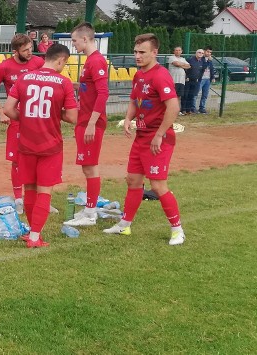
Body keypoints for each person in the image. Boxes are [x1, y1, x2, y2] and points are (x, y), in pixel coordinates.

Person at [103, 34, 185, 246]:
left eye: (142, 52)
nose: (137, 56)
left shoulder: (161, 75)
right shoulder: (139, 75)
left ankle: (177, 230)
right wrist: (128, 118)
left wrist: (159, 134)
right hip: (141, 138)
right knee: (133, 180)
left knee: (158, 186)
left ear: (154, 53)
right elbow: (134, 99)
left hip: (159, 139)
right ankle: (124, 225)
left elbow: (173, 107)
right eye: (136, 52)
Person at [3, 44, 78, 247]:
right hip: (50, 145)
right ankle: (35, 236)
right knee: (45, 190)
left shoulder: (24, 78)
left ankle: (31, 231)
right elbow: (72, 116)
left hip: (26, 143)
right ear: (61, 60)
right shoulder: (63, 82)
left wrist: (26, 118)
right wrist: (56, 114)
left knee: (30, 188)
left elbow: (8, 109)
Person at [0, 33, 55, 215]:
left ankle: (43, 198)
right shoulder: (5, 67)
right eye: (25, 50)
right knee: (17, 160)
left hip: (38, 120)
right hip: (17, 120)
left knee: (41, 158)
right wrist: (1, 111)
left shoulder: (39, 63)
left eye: (31, 48)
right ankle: (18, 199)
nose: (30, 52)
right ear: (15, 51)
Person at [63, 22, 109, 227]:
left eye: (74, 40)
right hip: (84, 120)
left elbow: (103, 93)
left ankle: (90, 214)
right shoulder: (90, 61)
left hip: (91, 122)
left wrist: (92, 123)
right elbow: (88, 87)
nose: (73, 44)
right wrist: (68, 84)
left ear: (85, 38)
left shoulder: (97, 61)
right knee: (87, 167)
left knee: (90, 168)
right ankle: (90, 209)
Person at [167, 46, 191, 116]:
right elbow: (176, 64)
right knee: (172, 96)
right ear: (174, 51)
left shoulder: (183, 59)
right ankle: (170, 110)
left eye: (179, 50)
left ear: (181, 51)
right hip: (174, 81)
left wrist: (180, 65)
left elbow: (189, 66)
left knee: (178, 96)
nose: (178, 51)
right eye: (176, 50)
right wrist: (183, 65)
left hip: (181, 81)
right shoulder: (172, 57)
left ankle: (176, 110)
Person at [181, 49, 205, 115]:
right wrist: (186, 77)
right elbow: (184, 68)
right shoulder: (190, 60)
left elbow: (202, 71)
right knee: (185, 95)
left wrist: (199, 78)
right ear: (196, 53)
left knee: (191, 95)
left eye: (202, 53)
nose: (200, 54)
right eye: (199, 52)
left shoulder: (202, 62)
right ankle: (183, 109)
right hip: (188, 80)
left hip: (196, 81)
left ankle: (189, 110)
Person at [198, 46, 216, 114]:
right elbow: (204, 67)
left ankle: (202, 108)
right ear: (204, 51)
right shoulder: (201, 59)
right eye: (208, 52)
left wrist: (213, 77)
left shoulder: (209, 60)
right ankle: (192, 108)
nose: (209, 53)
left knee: (205, 94)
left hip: (207, 79)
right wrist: (208, 60)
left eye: (210, 52)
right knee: (196, 93)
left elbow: (211, 69)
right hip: (201, 78)